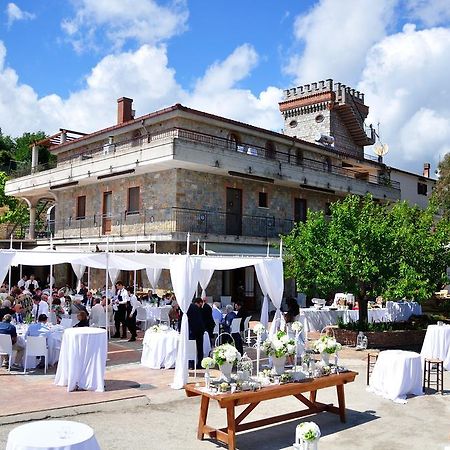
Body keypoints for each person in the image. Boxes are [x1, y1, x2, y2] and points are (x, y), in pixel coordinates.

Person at [186, 298, 206, 368]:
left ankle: (191, 364)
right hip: (200, 329)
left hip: (193, 329)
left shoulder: (188, 307)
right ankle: (200, 363)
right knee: (200, 347)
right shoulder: (199, 308)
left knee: (192, 346)